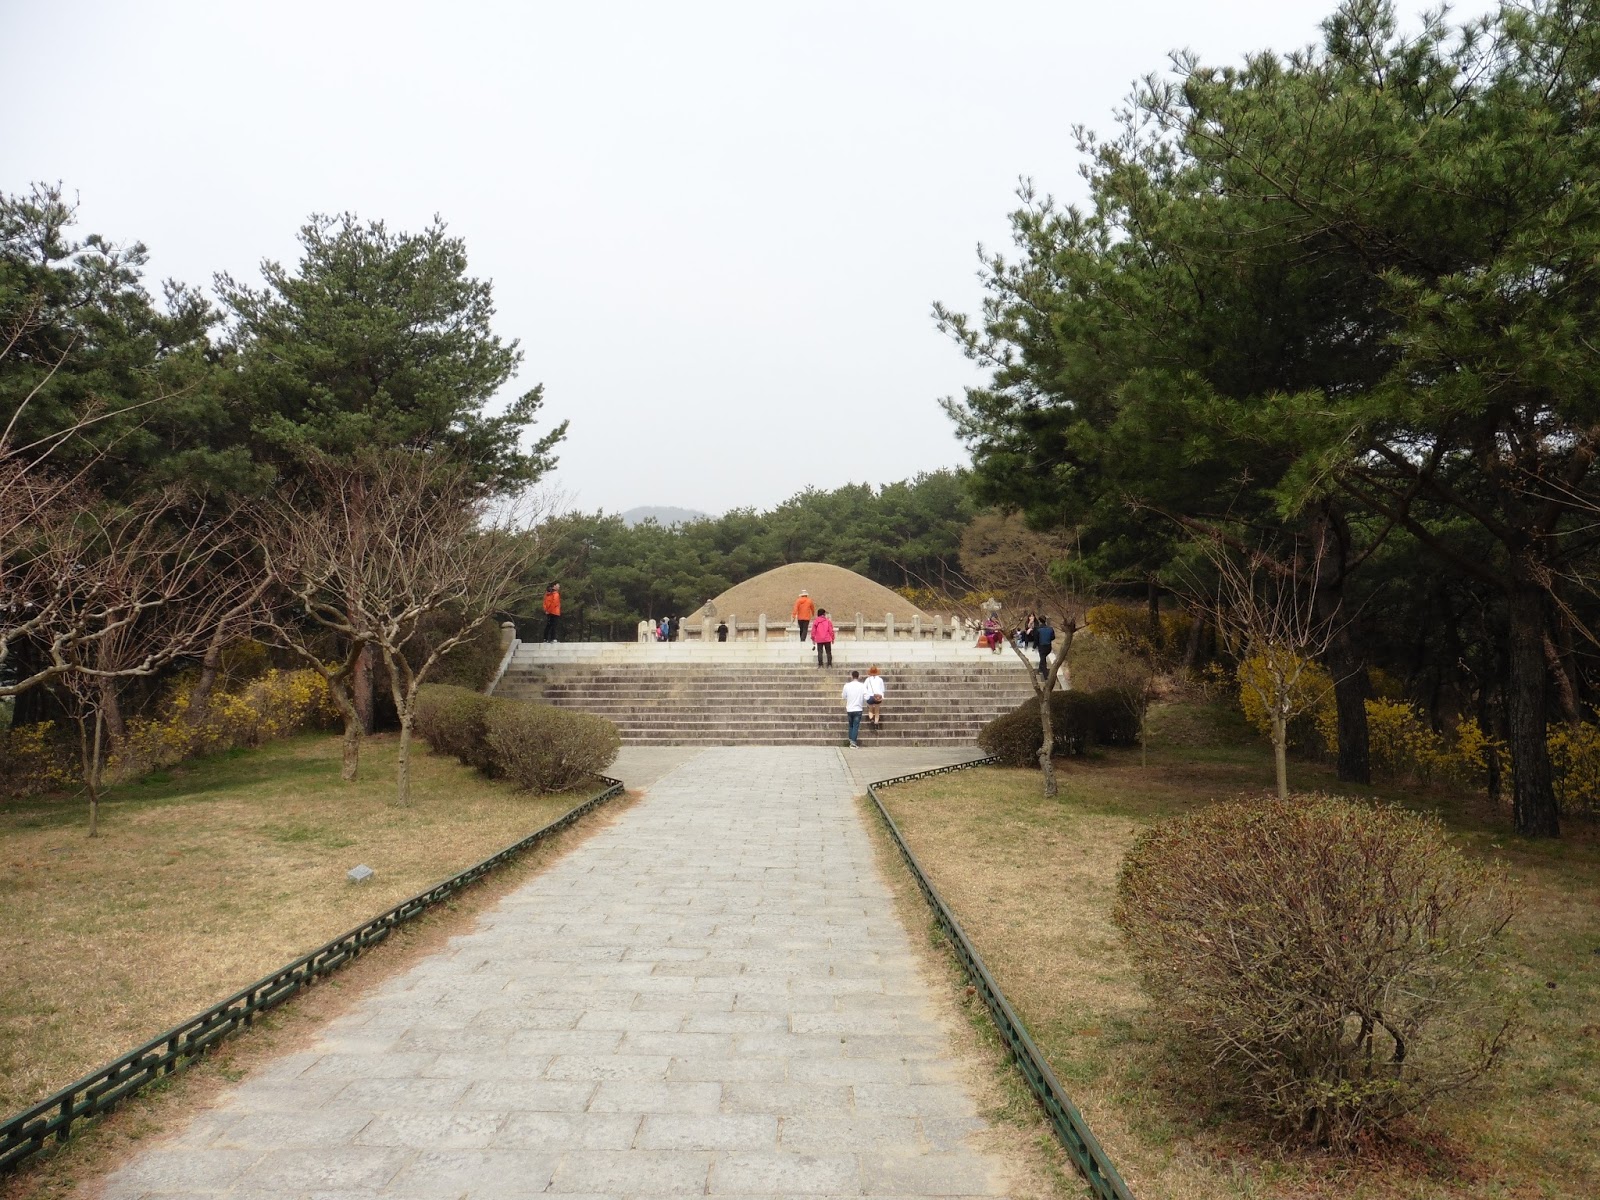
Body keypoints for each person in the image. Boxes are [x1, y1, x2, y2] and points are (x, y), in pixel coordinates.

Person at [842, 670, 868, 748]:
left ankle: (851, 740)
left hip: (849, 708)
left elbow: (843, 696)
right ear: (858, 676)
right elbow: (867, 696)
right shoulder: (862, 686)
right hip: (858, 708)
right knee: (855, 726)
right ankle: (853, 743)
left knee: (851, 725)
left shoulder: (847, 685)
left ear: (852, 676)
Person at [1034, 615, 1055, 679]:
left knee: (1043, 660)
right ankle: (1040, 669)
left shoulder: (1038, 629)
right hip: (1048, 647)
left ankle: (1046, 675)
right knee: (1043, 658)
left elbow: (1036, 639)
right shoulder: (1050, 629)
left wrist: (1034, 646)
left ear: (1039, 621)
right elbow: (1053, 637)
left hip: (1041, 646)